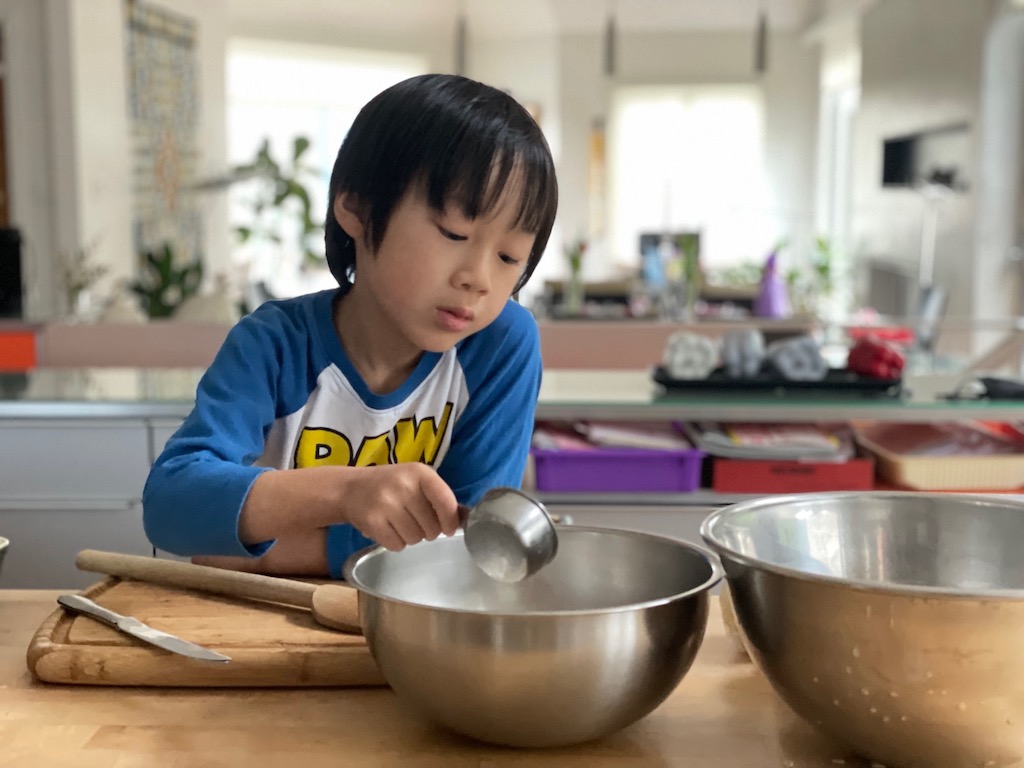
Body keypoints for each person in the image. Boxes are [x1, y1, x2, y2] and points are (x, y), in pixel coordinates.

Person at [143, 73, 558, 578]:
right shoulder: (273, 346)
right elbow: (171, 506)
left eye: (510, 256)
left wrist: (272, 546)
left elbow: (472, 549)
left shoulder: (499, 345)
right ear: (357, 209)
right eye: (454, 232)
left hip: (415, 627)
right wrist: (348, 494)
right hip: (257, 627)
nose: (479, 279)